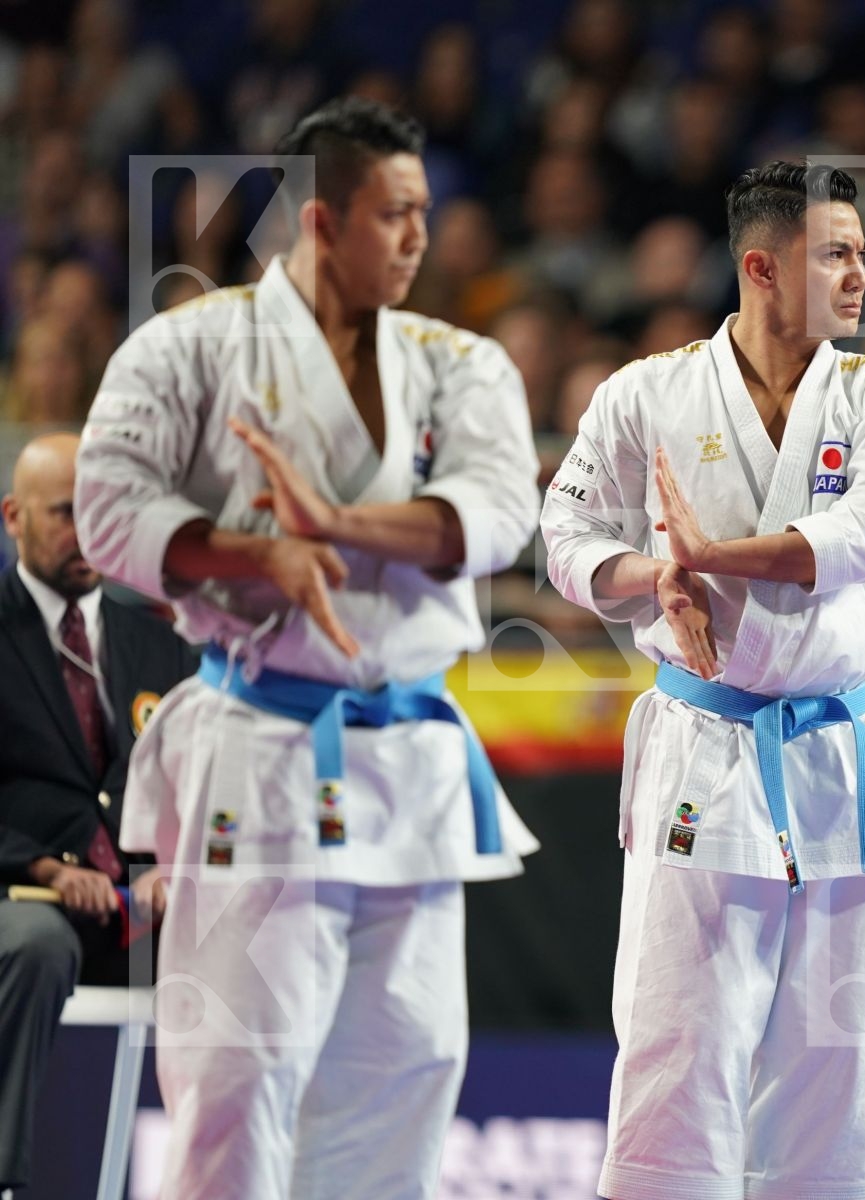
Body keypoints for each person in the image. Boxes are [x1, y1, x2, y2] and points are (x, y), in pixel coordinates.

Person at [73, 97, 541, 1199]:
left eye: (426, 212)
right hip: (261, 742)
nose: (422, 237)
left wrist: (329, 531)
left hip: (408, 757)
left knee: (411, 1061)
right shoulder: (188, 347)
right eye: (397, 214)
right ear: (322, 221)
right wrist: (254, 558)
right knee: (238, 1073)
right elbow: (106, 510)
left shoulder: (461, 362)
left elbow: (499, 511)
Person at [541, 161, 865, 1200]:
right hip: (703, 754)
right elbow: (564, 533)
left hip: (834, 751)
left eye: (864, 253)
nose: (862, 275)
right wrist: (649, 574)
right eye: (837, 254)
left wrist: (708, 559)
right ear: (762, 267)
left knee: (846, 1062)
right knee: (675, 1045)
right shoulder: (646, 392)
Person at [0, 433, 193, 1199]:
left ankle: (244, 1170)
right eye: (62, 514)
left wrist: (173, 872)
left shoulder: (161, 642)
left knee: (257, 937)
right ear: (12, 516)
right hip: (23, 900)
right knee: (38, 947)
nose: (85, 531)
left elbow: (197, 785)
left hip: (138, 914)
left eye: (100, 511)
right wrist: (45, 867)